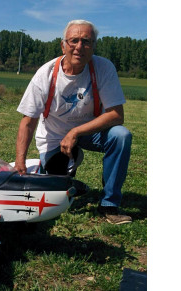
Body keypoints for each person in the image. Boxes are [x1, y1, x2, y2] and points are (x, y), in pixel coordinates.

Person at [15, 20, 132, 225]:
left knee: (121, 136)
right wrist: (20, 161)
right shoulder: (46, 74)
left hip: (88, 131)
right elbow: (28, 121)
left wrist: (76, 132)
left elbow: (116, 115)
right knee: (55, 195)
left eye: (86, 41)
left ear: (93, 46)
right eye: (74, 41)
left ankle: (109, 204)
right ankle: (65, 166)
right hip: (54, 134)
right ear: (63, 45)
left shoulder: (103, 68)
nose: (79, 47)